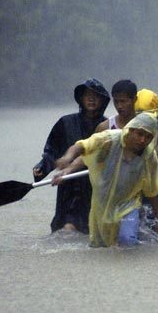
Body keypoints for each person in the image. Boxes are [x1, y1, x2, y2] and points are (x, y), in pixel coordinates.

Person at [52, 112, 158, 247]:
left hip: (129, 205)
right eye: (140, 134)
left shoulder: (149, 157)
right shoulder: (109, 140)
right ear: (131, 130)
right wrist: (67, 160)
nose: (143, 140)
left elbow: (153, 190)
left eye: (148, 137)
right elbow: (82, 146)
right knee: (99, 246)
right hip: (102, 204)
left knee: (128, 240)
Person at [32, 78, 110, 233]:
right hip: (69, 184)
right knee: (67, 226)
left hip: (96, 185)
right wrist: (43, 166)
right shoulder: (65, 122)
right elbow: (51, 150)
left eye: (96, 96)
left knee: (93, 229)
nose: (91, 99)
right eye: (87, 95)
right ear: (81, 98)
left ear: (102, 101)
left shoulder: (108, 126)